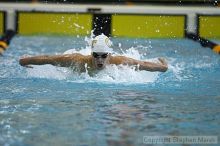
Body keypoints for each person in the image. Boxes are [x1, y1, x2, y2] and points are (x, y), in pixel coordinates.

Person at [19, 34, 168, 74]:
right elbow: (49, 59)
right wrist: (25, 61)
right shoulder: (77, 60)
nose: (99, 59)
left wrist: (163, 67)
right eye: (96, 55)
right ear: (91, 54)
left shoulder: (118, 62)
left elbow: (142, 65)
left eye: (104, 56)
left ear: (110, 55)